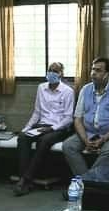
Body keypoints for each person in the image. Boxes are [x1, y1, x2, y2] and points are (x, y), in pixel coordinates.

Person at [13, 62, 75, 196]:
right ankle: (25, 179)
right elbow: (37, 112)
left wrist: (52, 128)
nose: (52, 73)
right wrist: (26, 128)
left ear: (61, 74)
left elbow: (68, 118)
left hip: (60, 128)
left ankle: (25, 179)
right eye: (50, 70)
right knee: (22, 137)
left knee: (44, 141)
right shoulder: (41, 88)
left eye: (55, 71)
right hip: (41, 125)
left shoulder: (68, 91)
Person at [62, 57, 109, 176]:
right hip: (89, 133)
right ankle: (86, 180)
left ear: (107, 74)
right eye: (93, 69)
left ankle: (88, 181)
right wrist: (85, 140)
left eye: (98, 70)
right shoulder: (85, 90)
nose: (93, 73)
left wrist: (103, 139)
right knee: (68, 146)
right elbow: (78, 119)